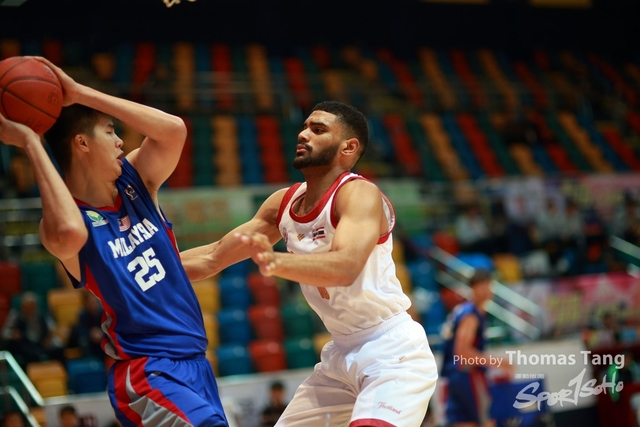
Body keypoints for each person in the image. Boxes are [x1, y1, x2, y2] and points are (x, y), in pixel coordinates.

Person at [0, 56, 228, 427]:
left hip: (195, 365)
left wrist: (79, 93)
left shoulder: (135, 181)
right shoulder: (67, 221)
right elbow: (68, 233)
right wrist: (31, 142)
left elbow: (174, 130)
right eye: (109, 131)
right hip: (147, 372)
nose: (121, 141)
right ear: (82, 143)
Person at [182, 101, 438, 426]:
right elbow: (212, 258)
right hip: (339, 354)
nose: (303, 135)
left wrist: (275, 262)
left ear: (348, 147)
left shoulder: (359, 194)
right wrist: (127, 269)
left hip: (391, 351)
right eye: (304, 127)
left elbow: (346, 267)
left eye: (318, 130)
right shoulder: (283, 203)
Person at [440, 270, 512, 427]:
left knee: (464, 423)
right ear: (472, 288)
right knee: (487, 421)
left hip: (456, 376)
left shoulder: (464, 310)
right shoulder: (471, 316)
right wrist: (499, 362)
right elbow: (462, 352)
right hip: (467, 376)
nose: (486, 290)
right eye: (482, 286)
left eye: (488, 285)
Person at [0, 291, 65, 368]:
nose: (30, 309)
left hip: (40, 343)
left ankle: (59, 372)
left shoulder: (41, 315)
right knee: (33, 355)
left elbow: (52, 328)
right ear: (23, 306)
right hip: (24, 345)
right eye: (28, 306)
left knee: (59, 349)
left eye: (32, 306)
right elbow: (4, 333)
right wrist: (12, 335)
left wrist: (49, 337)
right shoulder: (15, 316)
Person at [66, 290, 105, 359]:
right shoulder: (83, 315)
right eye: (90, 303)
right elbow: (81, 330)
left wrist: (102, 334)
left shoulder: (104, 313)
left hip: (103, 338)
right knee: (83, 340)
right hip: (90, 341)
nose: (93, 305)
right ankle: (90, 361)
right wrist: (91, 333)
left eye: (94, 302)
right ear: (85, 303)